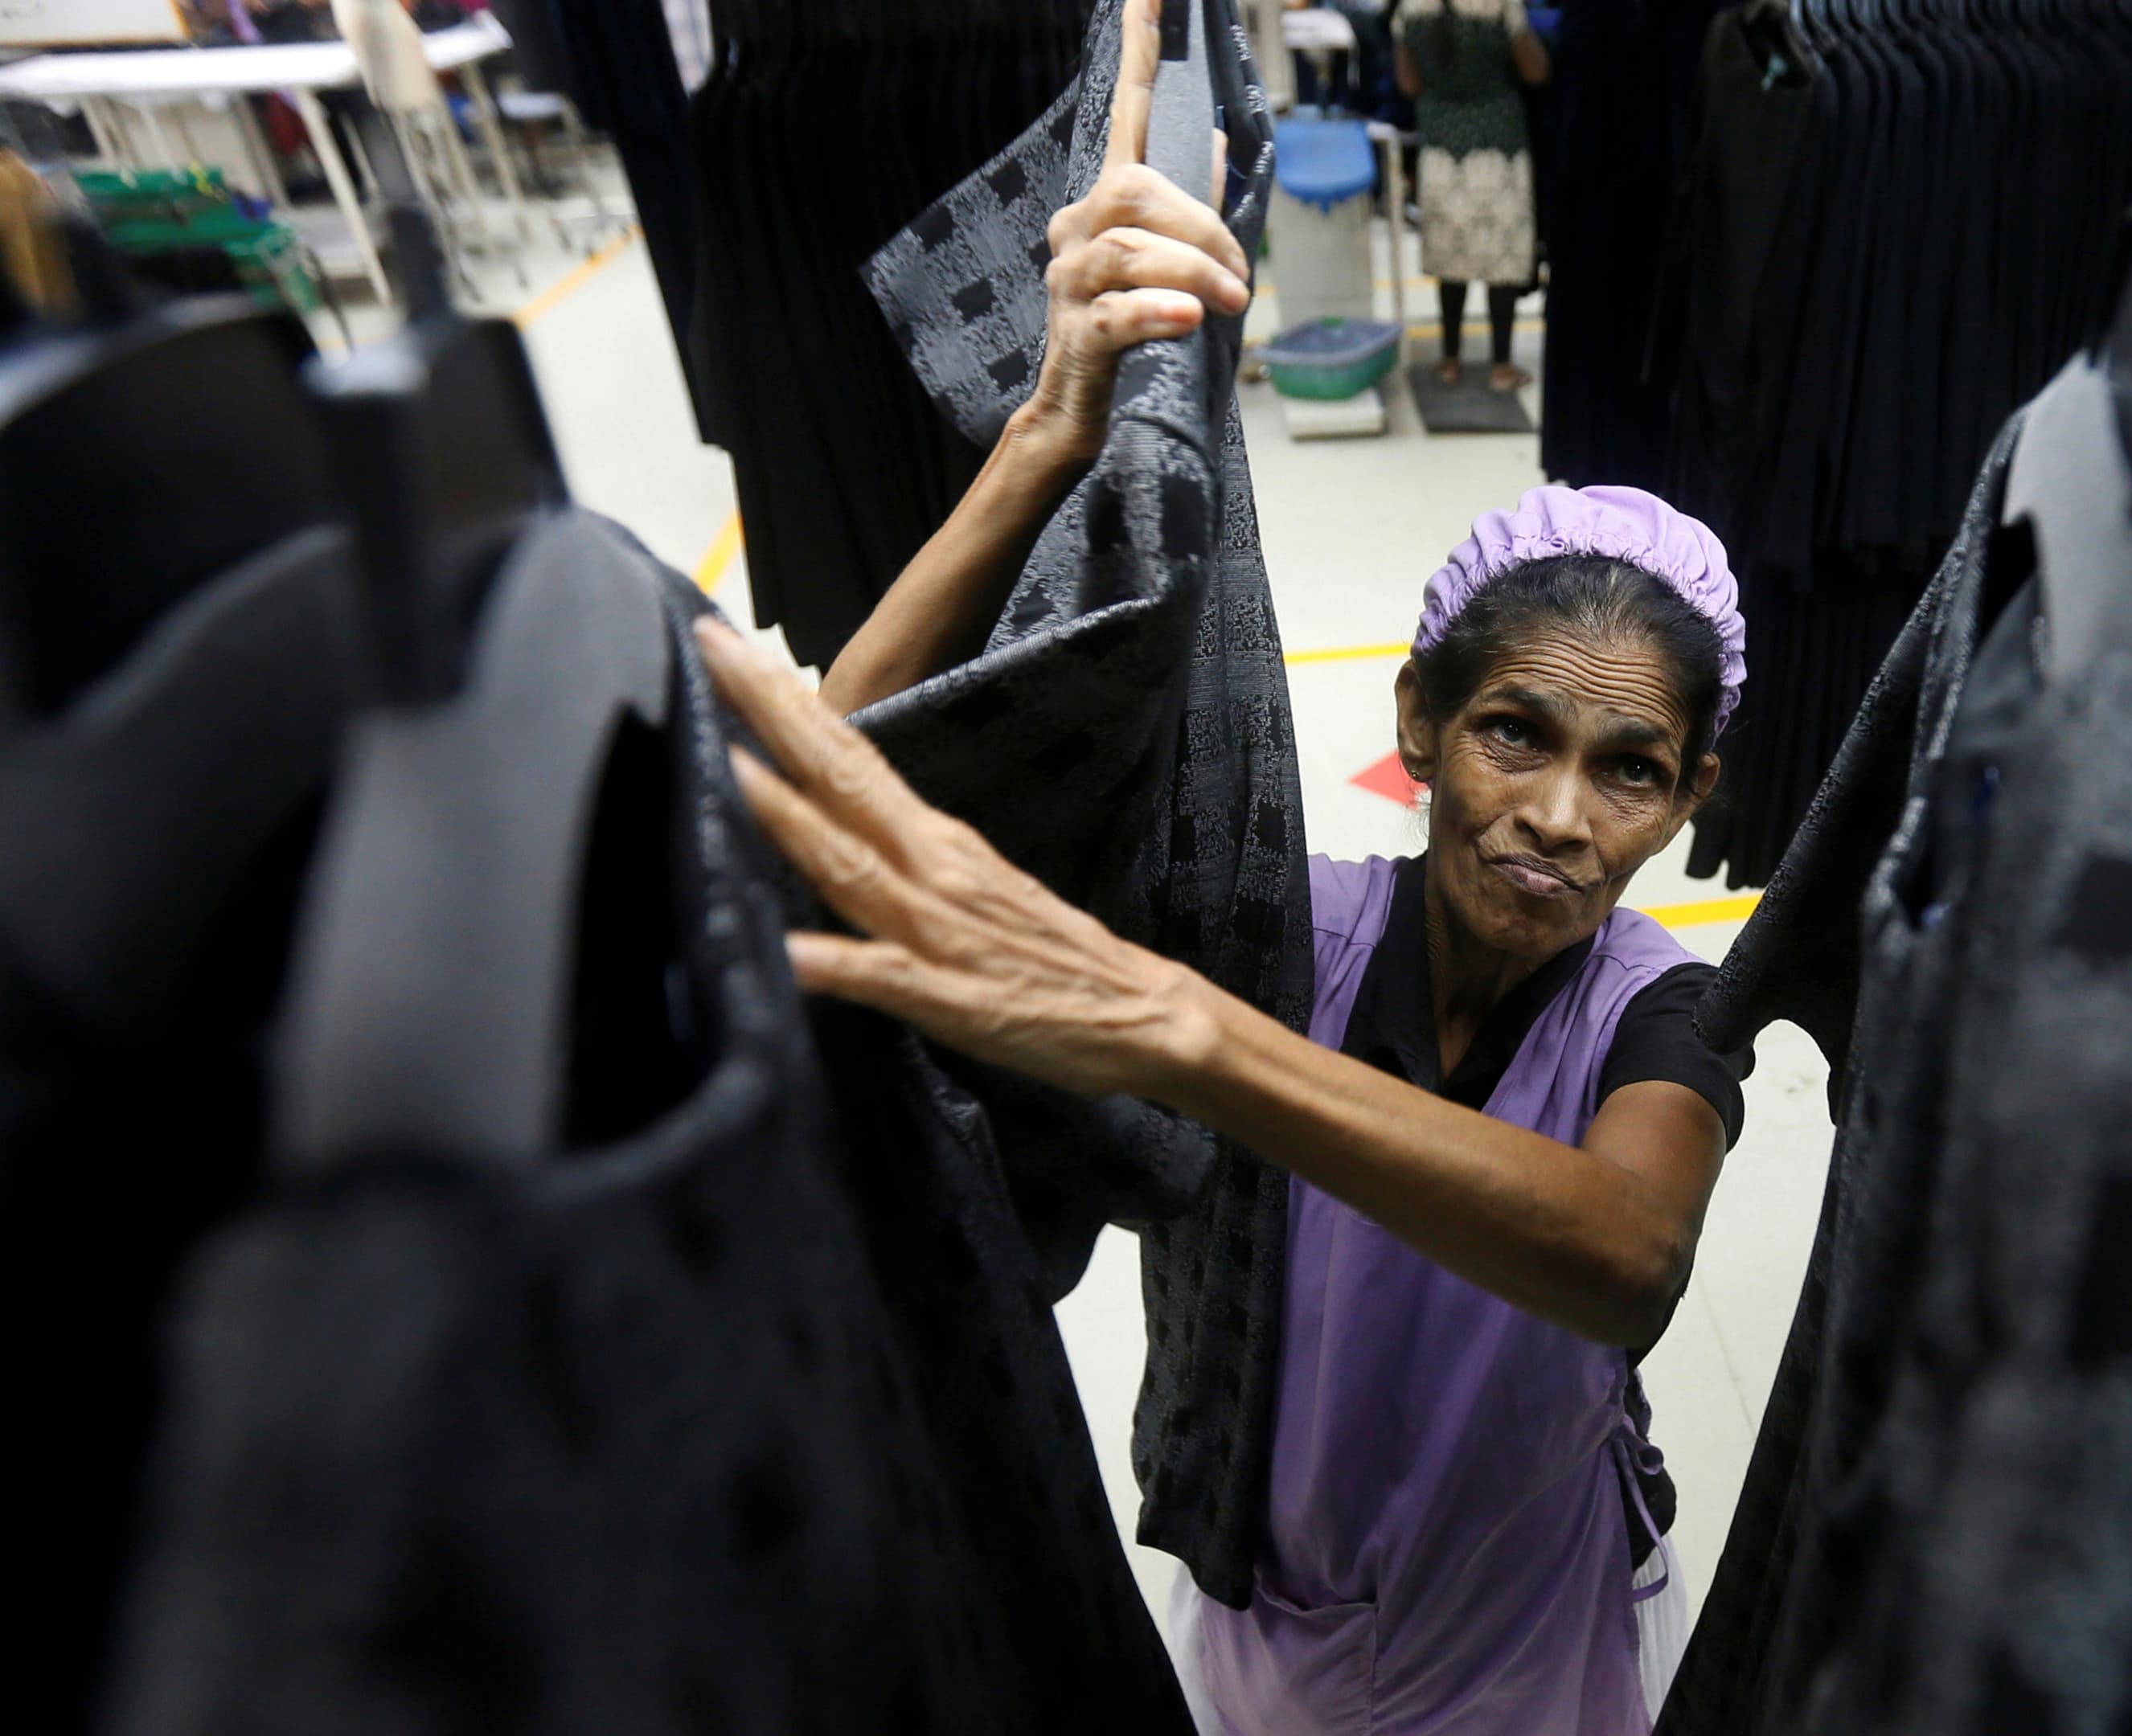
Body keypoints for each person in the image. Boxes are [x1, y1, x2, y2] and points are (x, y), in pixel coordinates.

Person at [694, 5, 1749, 1729]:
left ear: (1693, 795)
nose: (1563, 816)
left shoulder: (1662, 1013)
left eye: (1629, 770)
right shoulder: (1293, 928)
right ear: (1413, 723)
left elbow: (1627, 1255)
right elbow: (822, 813)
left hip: (1535, 1635)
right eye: (1515, 735)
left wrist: (1186, 1038)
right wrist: (1037, 448)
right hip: (1278, 1623)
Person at [1395, 0, 1550, 391]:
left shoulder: (1410, 10)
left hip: (1441, 146)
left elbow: (1409, 83)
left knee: (1451, 256)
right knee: (1502, 258)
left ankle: (1449, 360)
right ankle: (1501, 366)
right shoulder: (1501, 5)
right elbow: (1537, 72)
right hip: (1500, 141)